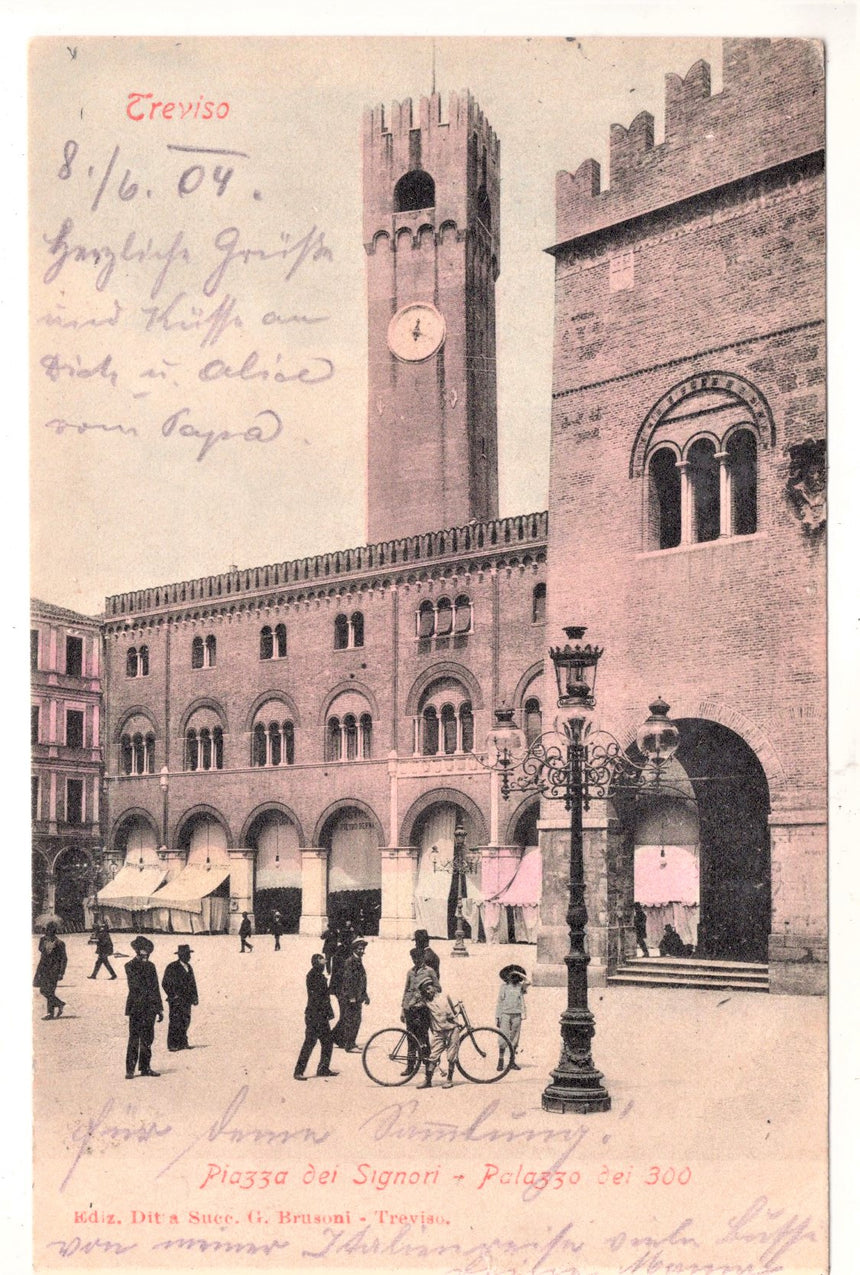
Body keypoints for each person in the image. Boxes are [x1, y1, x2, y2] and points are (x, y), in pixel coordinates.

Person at [294, 954, 339, 1080]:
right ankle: (298, 1071)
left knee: (327, 1042)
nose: (324, 964)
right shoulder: (313, 976)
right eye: (322, 962)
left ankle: (323, 1068)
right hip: (315, 1016)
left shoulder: (318, 975)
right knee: (309, 1043)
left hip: (320, 1016)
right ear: (316, 963)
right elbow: (318, 997)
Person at [124, 935, 164, 1078]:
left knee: (148, 1039)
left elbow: (156, 988)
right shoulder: (130, 966)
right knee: (134, 1038)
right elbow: (135, 986)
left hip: (150, 1008)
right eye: (144, 952)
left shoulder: (151, 966)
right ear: (137, 951)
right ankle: (130, 1070)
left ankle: (145, 1067)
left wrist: (159, 1009)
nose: (147, 954)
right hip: (136, 1007)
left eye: (148, 952)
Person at [401, 948, 439, 1074]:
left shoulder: (430, 971)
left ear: (423, 958)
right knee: (410, 1037)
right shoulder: (410, 972)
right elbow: (406, 990)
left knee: (423, 1036)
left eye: (418, 958)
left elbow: (438, 988)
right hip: (410, 1009)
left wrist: (428, 992)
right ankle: (410, 1066)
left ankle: (427, 1063)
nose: (416, 961)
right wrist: (403, 1008)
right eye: (413, 959)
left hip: (423, 1008)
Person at [417, 981, 460, 1089]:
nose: (428, 991)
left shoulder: (445, 997)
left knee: (451, 1056)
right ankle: (428, 1081)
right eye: (425, 990)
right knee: (433, 1057)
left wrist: (456, 1021)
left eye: (429, 988)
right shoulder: (426, 1002)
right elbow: (414, 1004)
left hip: (452, 1030)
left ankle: (449, 1080)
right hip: (438, 1032)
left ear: (434, 988)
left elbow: (455, 1009)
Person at [332, 937, 370, 1052]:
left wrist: (365, 995)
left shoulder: (357, 960)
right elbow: (348, 980)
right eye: (359, 949)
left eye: (363, 949)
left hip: (357, 996)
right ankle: (350, 1045)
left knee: (353, 1019)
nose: (362, 951)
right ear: (354, 949)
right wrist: (352, 997)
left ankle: (339, 1039)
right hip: (351, 997)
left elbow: (361, 981)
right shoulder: (351, 961)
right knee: (352, 1020)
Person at [161, 944, 199, 1051]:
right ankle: (172, 1044)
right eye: (187, 955)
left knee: (185, 1020)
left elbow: (193, 984)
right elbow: (165, 983)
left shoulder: (189, 967)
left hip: (187, 1000)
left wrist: (195, 997)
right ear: (181, 955)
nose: (189, 957)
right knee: (175, 1021)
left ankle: (183, 1042)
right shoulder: (172, 967)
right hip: (176, 1000)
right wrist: (173, 995)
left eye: (189, 954)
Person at [495, 963, 528, 1070]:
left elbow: (529, 982)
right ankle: (500, 1060)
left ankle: (512, 1061)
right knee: (503, 1037)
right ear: (507, 977)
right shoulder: (503, 987)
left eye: (514, 976)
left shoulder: (520, 987)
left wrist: (519, 973)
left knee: (515, 1038)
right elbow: (500, 1002)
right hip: (505, 1014)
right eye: (510, 975)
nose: (513, 977)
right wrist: (498, 1016)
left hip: (517, 1014)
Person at [34, 922, 67, 1020]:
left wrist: (61, 972)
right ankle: (60, 1004)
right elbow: (41, 950)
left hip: (54, 970)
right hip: (43, 969)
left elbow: (64, 959)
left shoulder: (60, 943)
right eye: (46, 930)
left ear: (53, 932)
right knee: (43, 990)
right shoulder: (42, 940)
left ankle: (50, 1013)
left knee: (50, 990)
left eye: (48, 931)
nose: (46, 932)